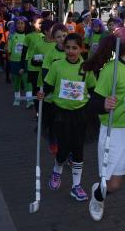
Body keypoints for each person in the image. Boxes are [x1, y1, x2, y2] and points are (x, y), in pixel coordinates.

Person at [84, 25, 125, 231]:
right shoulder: (110, 70)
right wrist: (103, 105)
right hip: (116, 132)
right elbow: (92, 103)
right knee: (113, 184)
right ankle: (98, 194)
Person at [38, 33, 97, 201]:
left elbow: (93, 89)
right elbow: (48, 86)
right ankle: (57, 170)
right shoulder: (57, 66)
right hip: (60, 113)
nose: (71, 51)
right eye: (68, 47)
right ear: (63, 47)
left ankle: (76, 186)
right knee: (63, 148)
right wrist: (42, 93)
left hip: (81, 113)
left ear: (81, 49)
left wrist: (101, 103)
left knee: (78, 149)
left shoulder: (86, 68)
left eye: (75, 48)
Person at [42, 23, 69, 154]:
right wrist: (47, 90)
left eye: (64, 35)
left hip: (68, 94)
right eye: (59, 37)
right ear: (54, 38)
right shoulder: (50, 54)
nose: (62, 39)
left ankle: (66, 144)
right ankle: (53, 141)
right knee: (54, 121)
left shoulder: (72, 51)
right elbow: (45, 73)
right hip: (53, 94)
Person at [21, 16, 45, 114]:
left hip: (44, 67)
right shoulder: (29, 36)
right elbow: (24, 53)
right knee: (36, 91)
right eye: (39, 23)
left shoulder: (47, 36)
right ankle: (37, 112)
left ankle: (43, 111)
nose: (41, 25)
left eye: (42, 23)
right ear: (33, 24)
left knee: (44, 91)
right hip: (33, 67)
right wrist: (22, 66)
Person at [8, 17, 32, 107]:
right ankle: (17, 99)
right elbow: (9, 49)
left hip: (26, 61)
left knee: (27, 81)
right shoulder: (12, 36)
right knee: (16, 82)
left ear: (25, 25)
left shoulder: (28, 36)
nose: (20, 25)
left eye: (22, 23)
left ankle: (29, 101)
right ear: (15, 25)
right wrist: (7, 50)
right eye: (18, 23)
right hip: (15, 61)